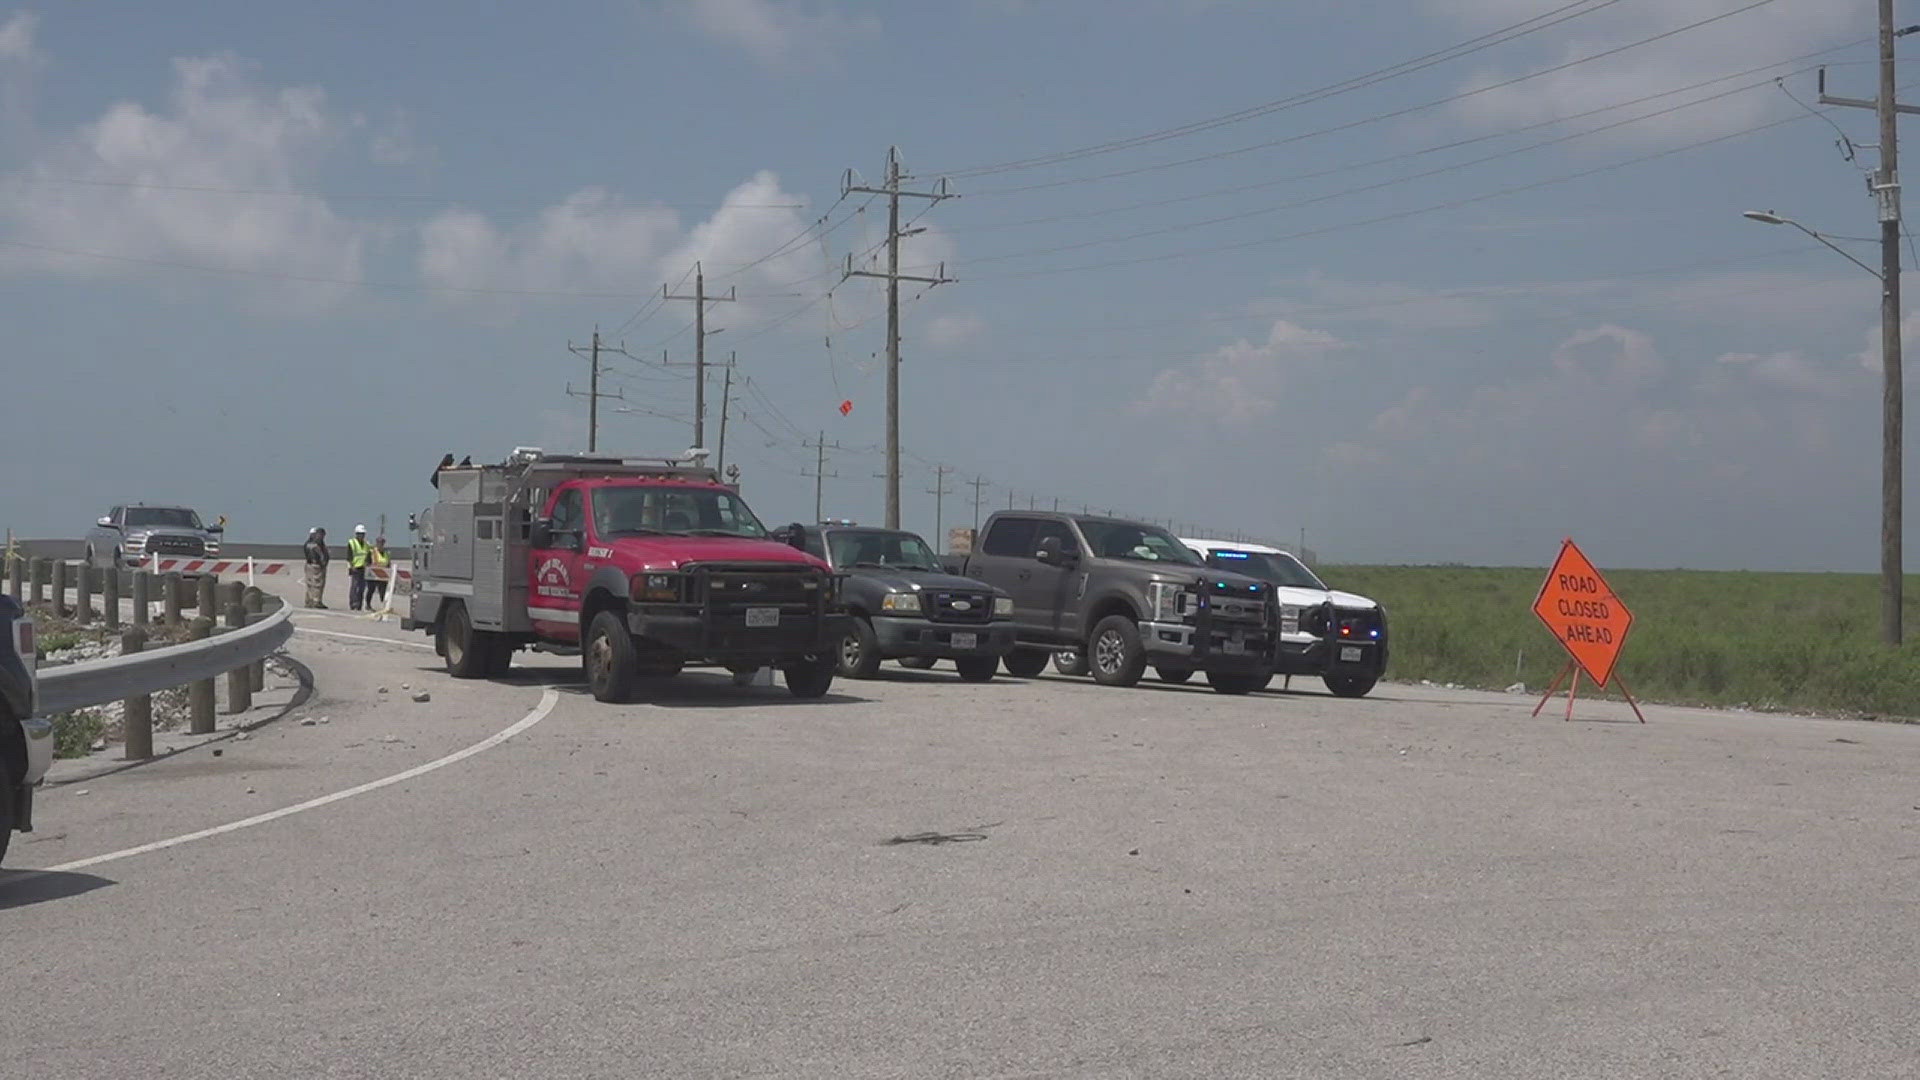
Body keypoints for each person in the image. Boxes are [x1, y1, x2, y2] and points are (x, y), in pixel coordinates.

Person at [303, 527, 330, 609]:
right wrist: (323, 562)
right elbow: (321, 555)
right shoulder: (317, 544)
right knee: (318, 584)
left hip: (309, 565)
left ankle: (309, 601)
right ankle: (316, 601)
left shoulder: (308, 543)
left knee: (310, 584)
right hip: (317, 566)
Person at [346, 524, 371, 611]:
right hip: (355, 567)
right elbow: (349, 556)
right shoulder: (352, 543)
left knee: (362, 588)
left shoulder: (367, 544)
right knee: (354, 587)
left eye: (363, 534)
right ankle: (353, 604)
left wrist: (368, 565)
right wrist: (350, 567)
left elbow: (368, 556)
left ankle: (359, 604)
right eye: (360, 534)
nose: (362, 535)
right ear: (356, 534)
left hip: (363, 568)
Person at [366, 535, 392, 609]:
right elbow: (367, 562)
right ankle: (368, 604)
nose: (380, 545)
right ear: (376, 543)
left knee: (383, 591)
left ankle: (384, 605)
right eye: (379, 543)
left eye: (382, 543)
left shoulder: (386, 553)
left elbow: (388, 564)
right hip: (373, 574)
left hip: (383, 575)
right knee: (371, 589)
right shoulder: (372, 552)